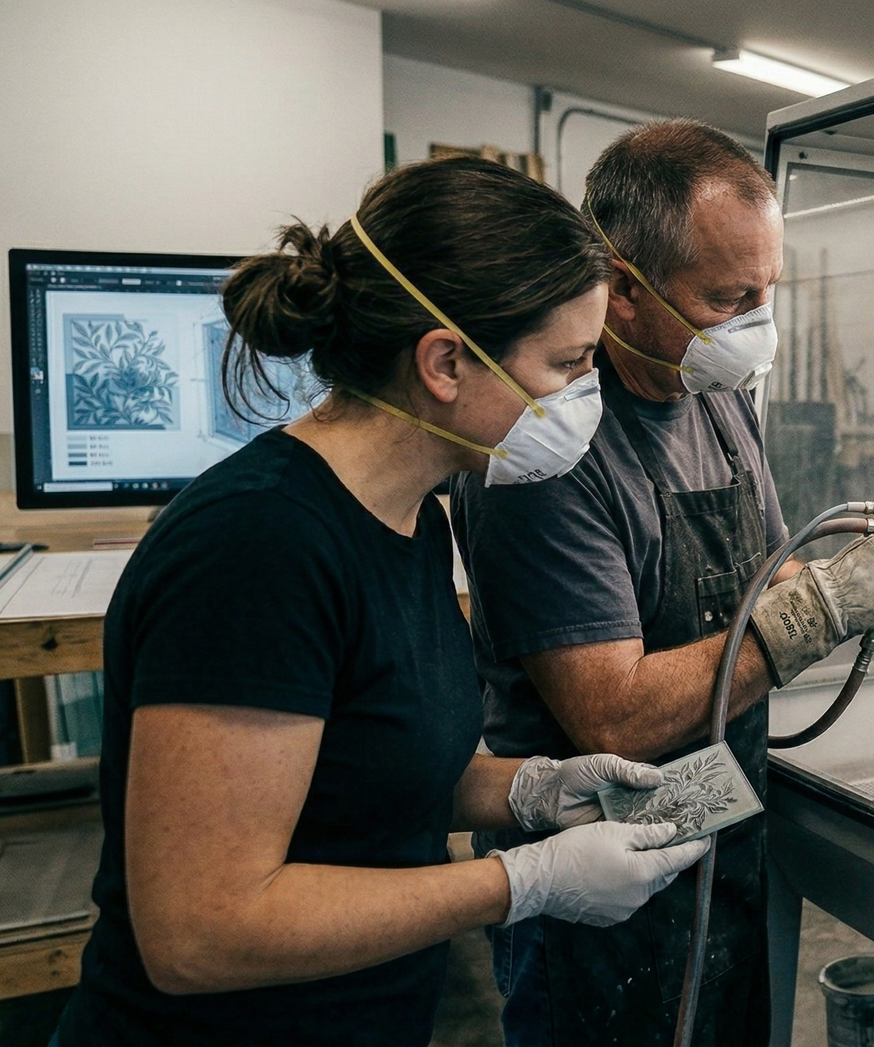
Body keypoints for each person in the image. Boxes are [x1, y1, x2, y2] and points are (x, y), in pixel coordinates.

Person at [55, 156, 709, 1047]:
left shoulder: (412, 520)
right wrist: (526, 882)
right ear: (444, 362)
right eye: (567, 363)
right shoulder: (257, 548)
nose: (583, 397)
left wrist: (531, 792)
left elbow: (364, 773)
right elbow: (199, 931)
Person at [453, 120, 874, 1044]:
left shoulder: (718, 393)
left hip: (721, 828)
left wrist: (869, 581)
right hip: (596, 879)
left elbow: (775, 580)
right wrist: (821, 609)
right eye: (729, 297)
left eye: (769, 288)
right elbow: (612, 717)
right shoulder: (549, 450)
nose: (758, 322)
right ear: (622, 289)